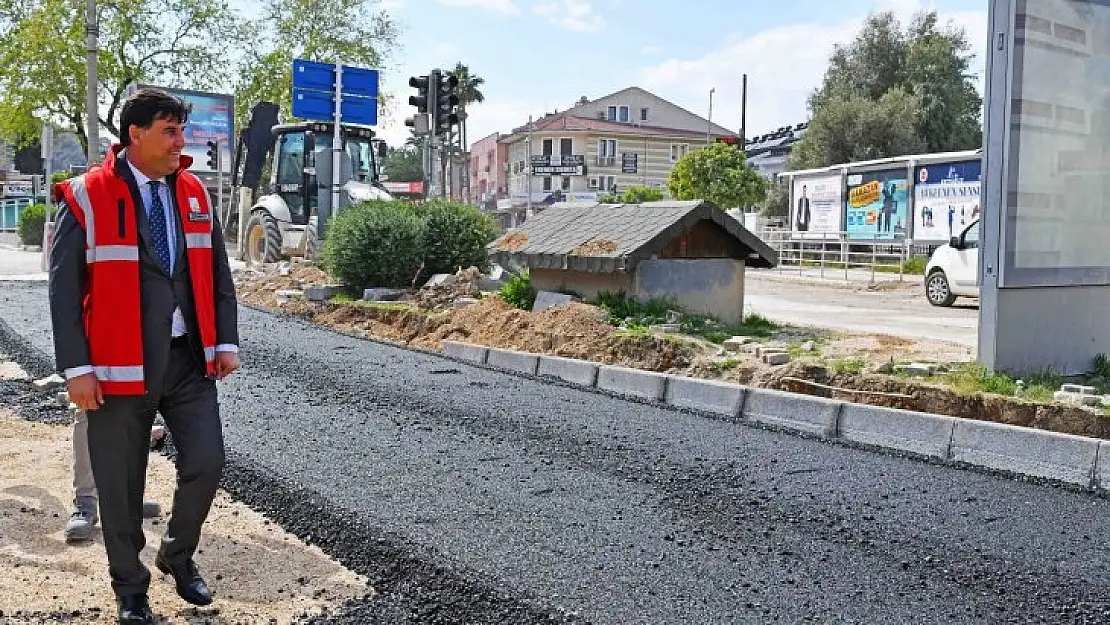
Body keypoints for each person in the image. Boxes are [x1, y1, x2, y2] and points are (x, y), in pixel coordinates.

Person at [49, 88, 240, 624]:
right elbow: (63, 292)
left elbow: (217, 275)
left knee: (206, 462)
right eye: (170, 131)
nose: (182, 141)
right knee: (120, 483)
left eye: (182, 129)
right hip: (115, 367)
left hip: (187, 361)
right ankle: (130, 589)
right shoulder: (86, 196)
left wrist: (224, 341)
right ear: (136, 135)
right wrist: (76, 369)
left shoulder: (195, 193)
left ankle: (176, 555)